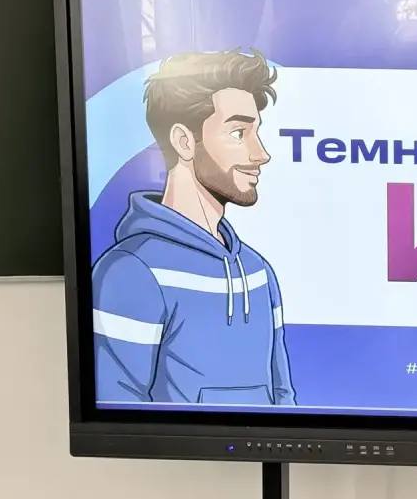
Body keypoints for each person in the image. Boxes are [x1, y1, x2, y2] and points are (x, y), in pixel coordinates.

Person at [90, 48, 296, 407]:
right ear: (184, 141)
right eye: (238, 133)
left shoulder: (258, 271)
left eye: (256, 132)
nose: (261, 153)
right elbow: (119, 409)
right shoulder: (131, 271)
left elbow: (284, 398)